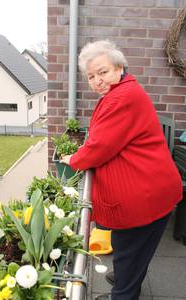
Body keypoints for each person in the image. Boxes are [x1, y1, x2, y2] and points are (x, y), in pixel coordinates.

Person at [60, 40, 183, 300]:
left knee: (129, 253)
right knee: (134, 251)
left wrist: (73, 159)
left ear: (119, 68)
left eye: (102, 72)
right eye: (91, 76)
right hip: (151, 193)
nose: (97, 80)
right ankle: (127, 278)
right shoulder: (121, 93)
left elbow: (97, 148)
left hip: (143, 199)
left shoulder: (121, 98)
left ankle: (123, 292)